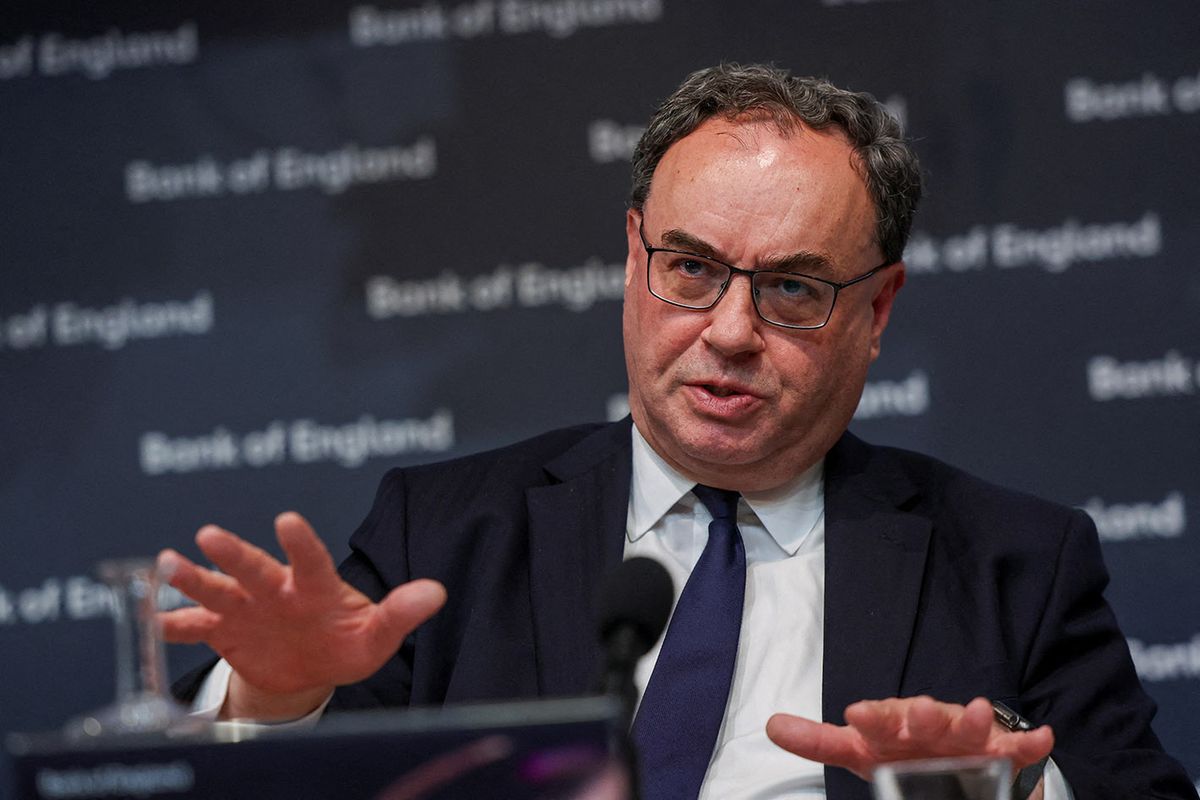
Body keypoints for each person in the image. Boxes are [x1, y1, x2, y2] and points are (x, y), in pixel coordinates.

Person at [159, 64, 1196, 800]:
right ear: (631, 257)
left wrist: (1005, 789)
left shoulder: (1019, 562)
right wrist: (281, 692)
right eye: (692, 268)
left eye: (793, 287)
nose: (731, 331)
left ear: (877, 312)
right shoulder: (443, 532)